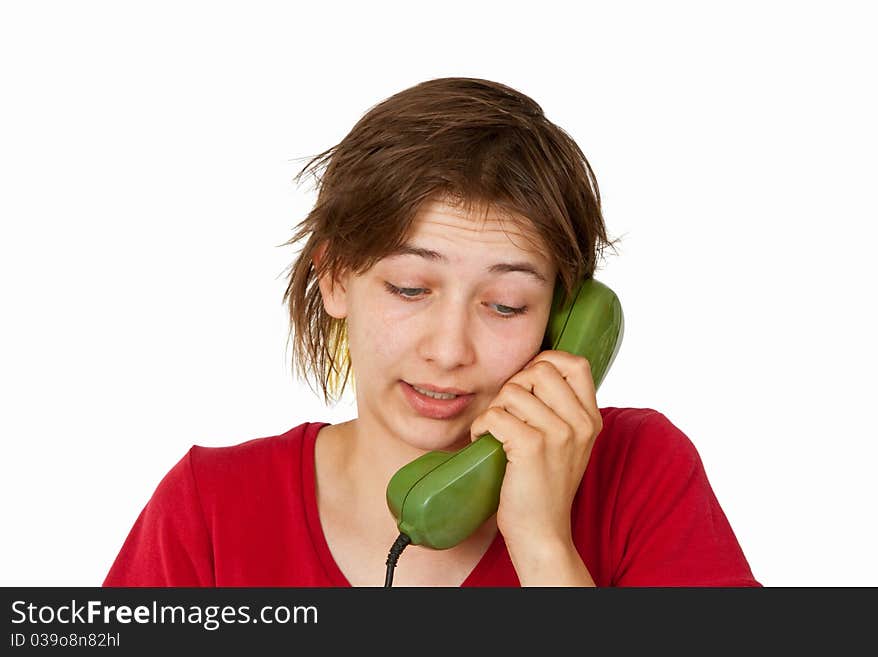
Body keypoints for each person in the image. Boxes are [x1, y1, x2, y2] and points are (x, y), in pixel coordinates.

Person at [103, 77, 760, 587]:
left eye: (505, 304)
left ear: (564, 321)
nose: (449, 351)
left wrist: (543, 545)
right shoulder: (207, 510)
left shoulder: (642, 475)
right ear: (334, 278)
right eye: (410, 289)